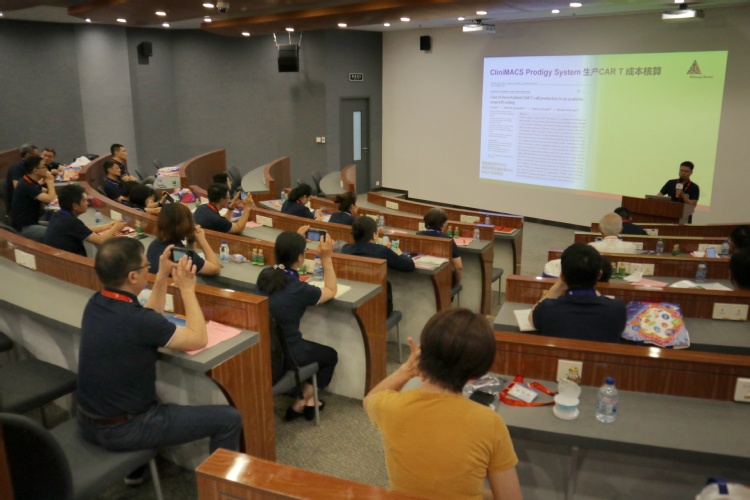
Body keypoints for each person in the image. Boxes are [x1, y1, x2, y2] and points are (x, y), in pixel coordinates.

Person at [76, 238, 242, 484]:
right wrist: (187, 289)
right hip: (125, 429)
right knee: (229, 419)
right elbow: (198, 338)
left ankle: (134, 470)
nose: (149, 268)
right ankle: (223, 492)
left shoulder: (96, 303)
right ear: (133, 277)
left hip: (88, 421)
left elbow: (149, 317)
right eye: (146, 266)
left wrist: (163, 275)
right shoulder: (139, 322)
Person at [363, 308, 522, 500]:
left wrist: (407, 370)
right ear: (478, 373)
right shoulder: (490, 423)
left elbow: (370, 399)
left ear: (423, 354)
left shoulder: (391, 406)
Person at [255, 231, 338, 421]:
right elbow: (331, 289)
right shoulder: (299, 289)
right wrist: (326, 258)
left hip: (265, 347)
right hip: (287, 354)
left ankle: (306, 399)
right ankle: (302, 401)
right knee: (329, 355)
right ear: (300, 257)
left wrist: (292, 243)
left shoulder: (264, 275)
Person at [529, 243, 626, 343]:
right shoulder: (617, 309)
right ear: (599, 275)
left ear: (562, 276)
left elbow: (531, 318)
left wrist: (557, 285)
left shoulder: (547, 308)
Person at [342, 216, 415, 316]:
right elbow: (409, 265)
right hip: (379, 305)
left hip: (353, 300)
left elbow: (366, 249)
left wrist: (382, 248)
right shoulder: (382, 251)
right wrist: (399, 253)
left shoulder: (345, 249)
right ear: (374, 235)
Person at [44, 184, 126, 256]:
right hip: (70, 263)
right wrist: (116, 228)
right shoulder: (71, 222)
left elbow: (84, 230)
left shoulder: (58, 214)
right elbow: (102, 240)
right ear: (75, 206)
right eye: (84, 200)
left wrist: (107, 226)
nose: (87, 203)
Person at [147, 203, 220, 276]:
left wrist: (190, 239)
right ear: (185, 224)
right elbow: (215, 268)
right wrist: (202, 239)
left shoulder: (153, 245)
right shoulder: (180, 253)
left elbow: (191, 261)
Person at [10, 155, 56, 242]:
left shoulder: (28, 181)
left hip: (32, 222)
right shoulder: (26, 185)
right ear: (35, 171)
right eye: (44, 167)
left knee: (59, 226)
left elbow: (46, 192)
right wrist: (50, 182)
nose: (46, 169)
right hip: (24, 227)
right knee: (57, 233)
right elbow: (50, 199)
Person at [416, 207, 463, 285]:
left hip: (419, 280)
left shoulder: (417, 235)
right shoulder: (447, 239)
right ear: (443, 224)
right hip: (441, 281)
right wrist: (457, 284)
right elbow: (459, 267)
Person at [5, 143, 39, 212]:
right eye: (36, 155)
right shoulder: (16, 168)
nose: (37, 158)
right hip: (20, 207)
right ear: (28, 155)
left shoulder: (27, 166)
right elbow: (18, 187)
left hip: (28, 199)